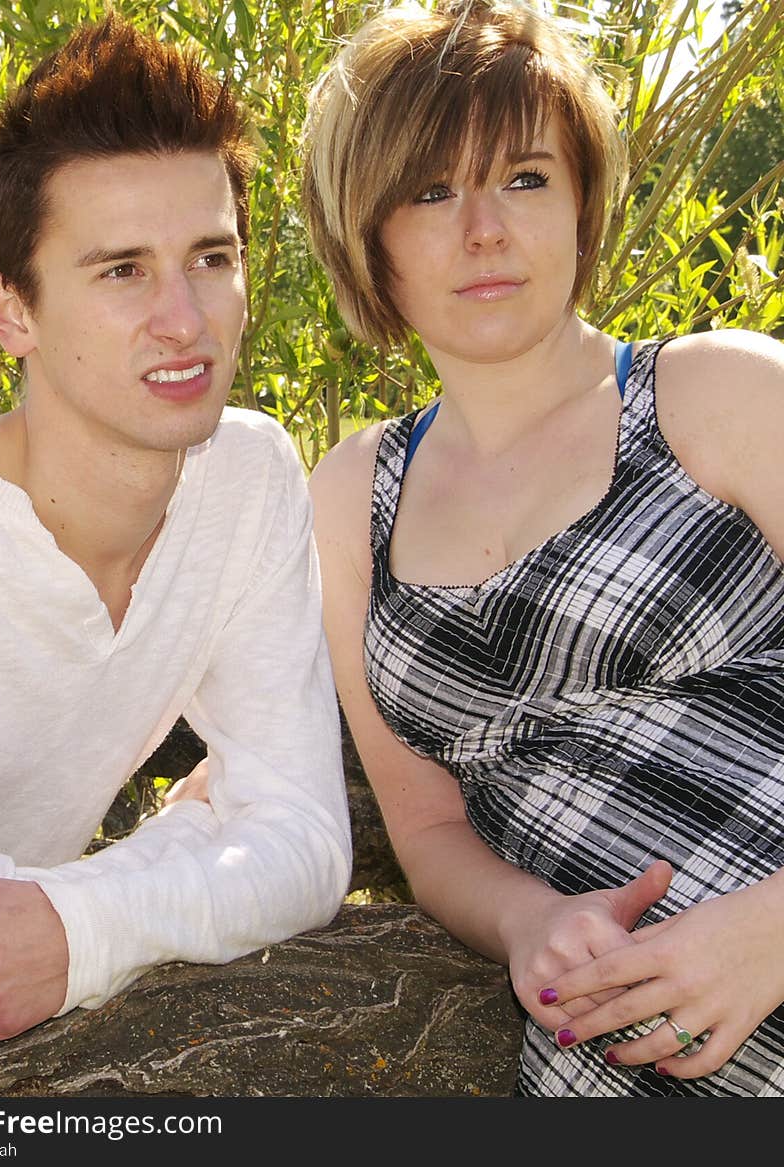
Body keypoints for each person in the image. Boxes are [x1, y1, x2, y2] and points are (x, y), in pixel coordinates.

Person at [302, 0, 784, 1097]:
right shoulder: (346, 499)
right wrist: (531, 925)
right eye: (431, 192)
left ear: (579, 206)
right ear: (366, 236)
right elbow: (424, 828)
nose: (484, 229)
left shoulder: (716, 393)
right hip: (618, 1050)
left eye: (523, 177)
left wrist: (769, 934)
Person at [0, 13, 352, 1055]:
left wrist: (79, 921)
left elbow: (307, 848)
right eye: (121, 271)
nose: (185, 321)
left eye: (209, 257)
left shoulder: (245, 479)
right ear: (11, 312)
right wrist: (198, 845)